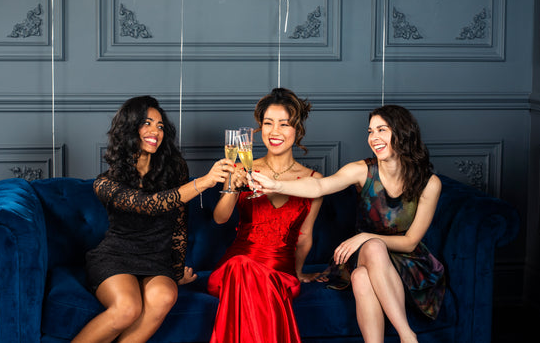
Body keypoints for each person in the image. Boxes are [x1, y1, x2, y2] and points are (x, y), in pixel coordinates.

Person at [249, 105, 445, 343]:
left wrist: (364, 238)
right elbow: (320, 186)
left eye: (381, 130)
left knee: (362, 274)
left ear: (403, 133)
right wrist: (278, 186)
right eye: (370, 131)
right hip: (363, 254)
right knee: (369, 256)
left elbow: (410, 242)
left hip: (408, 263)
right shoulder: (363, 170)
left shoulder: (429, 183)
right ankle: (408, 337)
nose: (374, 138)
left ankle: (398, 337)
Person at [72, 96, 230, 343]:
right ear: (129, 128)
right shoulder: (105, 183)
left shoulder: (176, 168)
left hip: (157, 260)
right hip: (116, 258)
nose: (155, 131)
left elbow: (179, 224)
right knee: (127, 308)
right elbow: (149, 205)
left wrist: (177, 271)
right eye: (146, 123)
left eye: (159, 126)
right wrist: (204, 182)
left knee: (165, 296)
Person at [207, 88, 325, 343]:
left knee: (255, 275)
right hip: (234, 266)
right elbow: (220, 218)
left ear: (297, 129)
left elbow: (304, 237)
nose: (275, 131)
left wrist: (299, 272)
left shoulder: (314, 181)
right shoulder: (241, 167)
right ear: (260, 128)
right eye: (268, 123)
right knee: (243, 266)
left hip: (280, 272)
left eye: (284, 124)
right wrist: (233, 187)